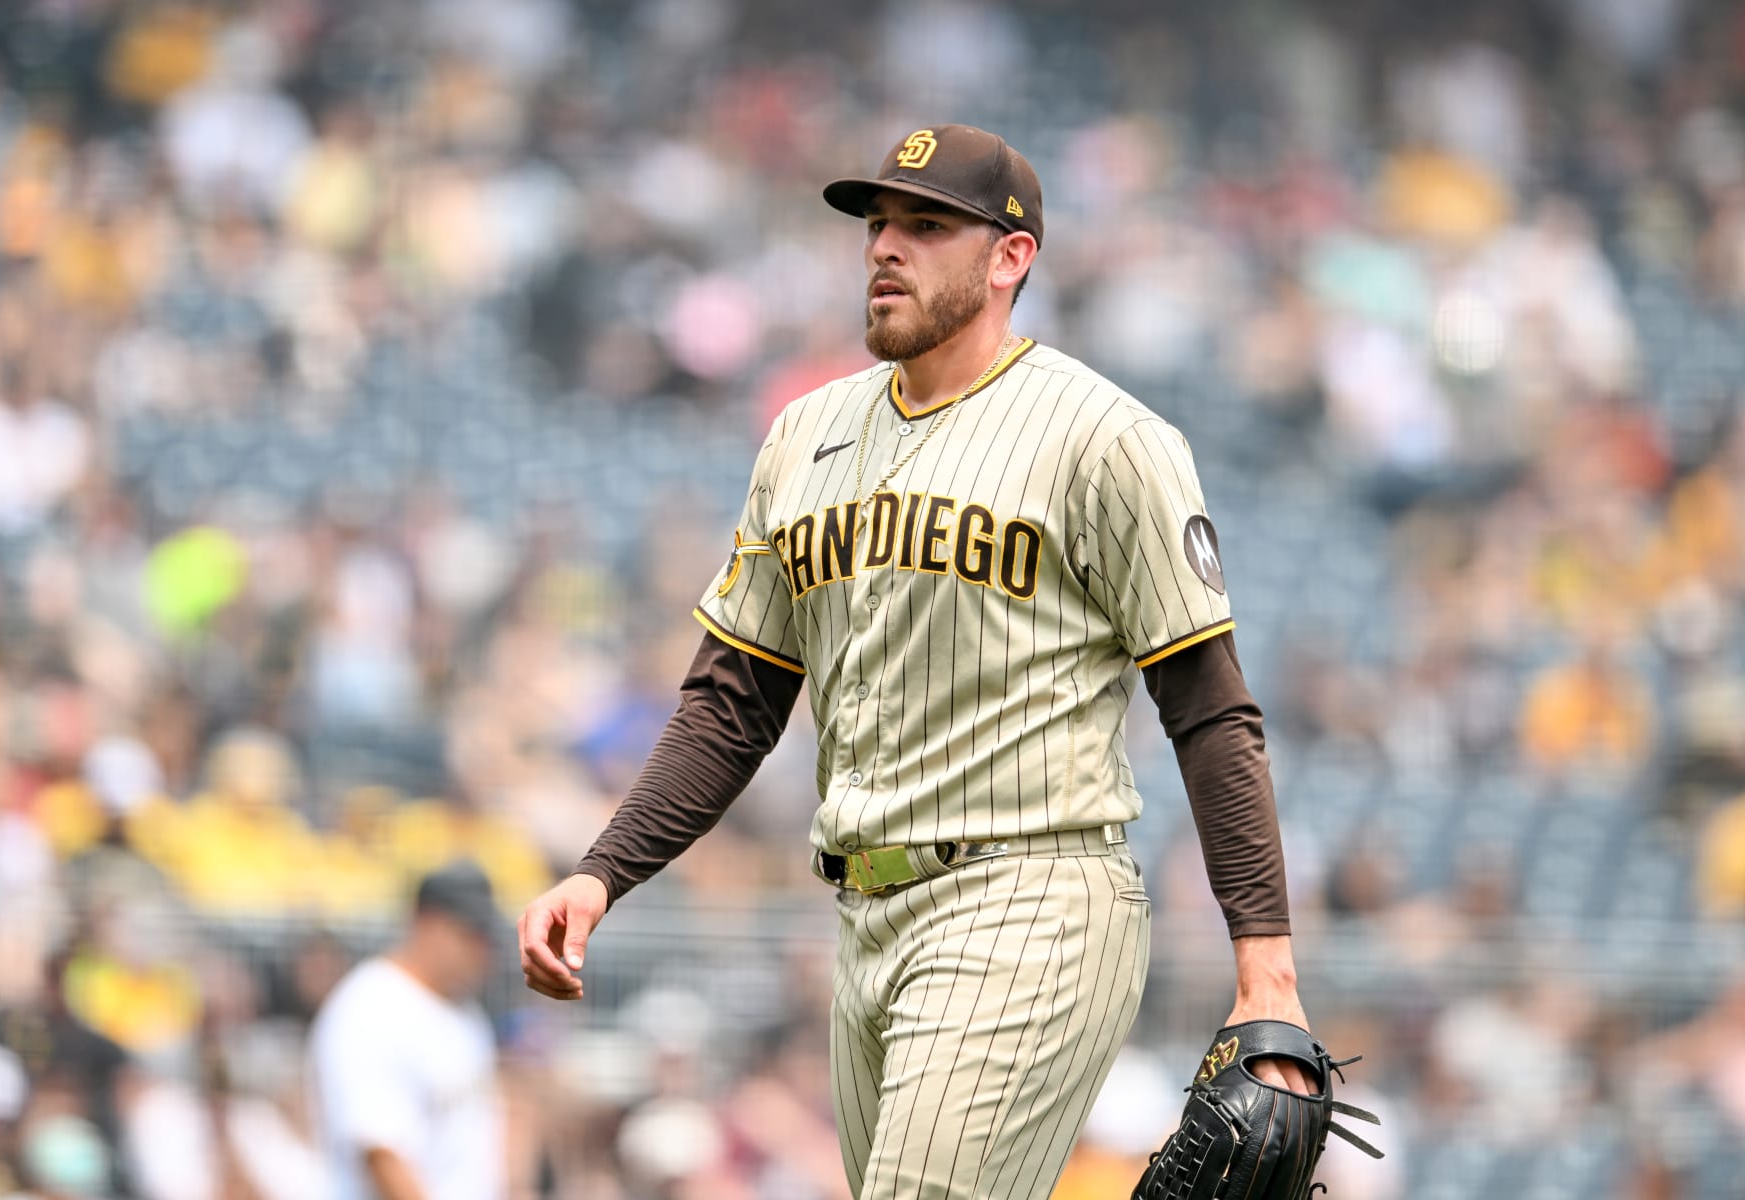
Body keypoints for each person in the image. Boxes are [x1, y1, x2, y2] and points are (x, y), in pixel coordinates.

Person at [519, 124, 1315, 1199]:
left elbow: (1210, 712)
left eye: (927, 224)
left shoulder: (1106, 439)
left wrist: (1265, 970)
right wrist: (603, 869)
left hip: (1033, 896)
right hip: (867, 920)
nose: (885, 245)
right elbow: (732, 702)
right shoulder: (804, 437)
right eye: (879, 221)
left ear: (1009, 258)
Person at [310, 861, 504, 1200]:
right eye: (469, 934)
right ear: (426, 922)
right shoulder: (369, 1008)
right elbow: (381, 1156)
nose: (481, 950)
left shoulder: (465, 1012)